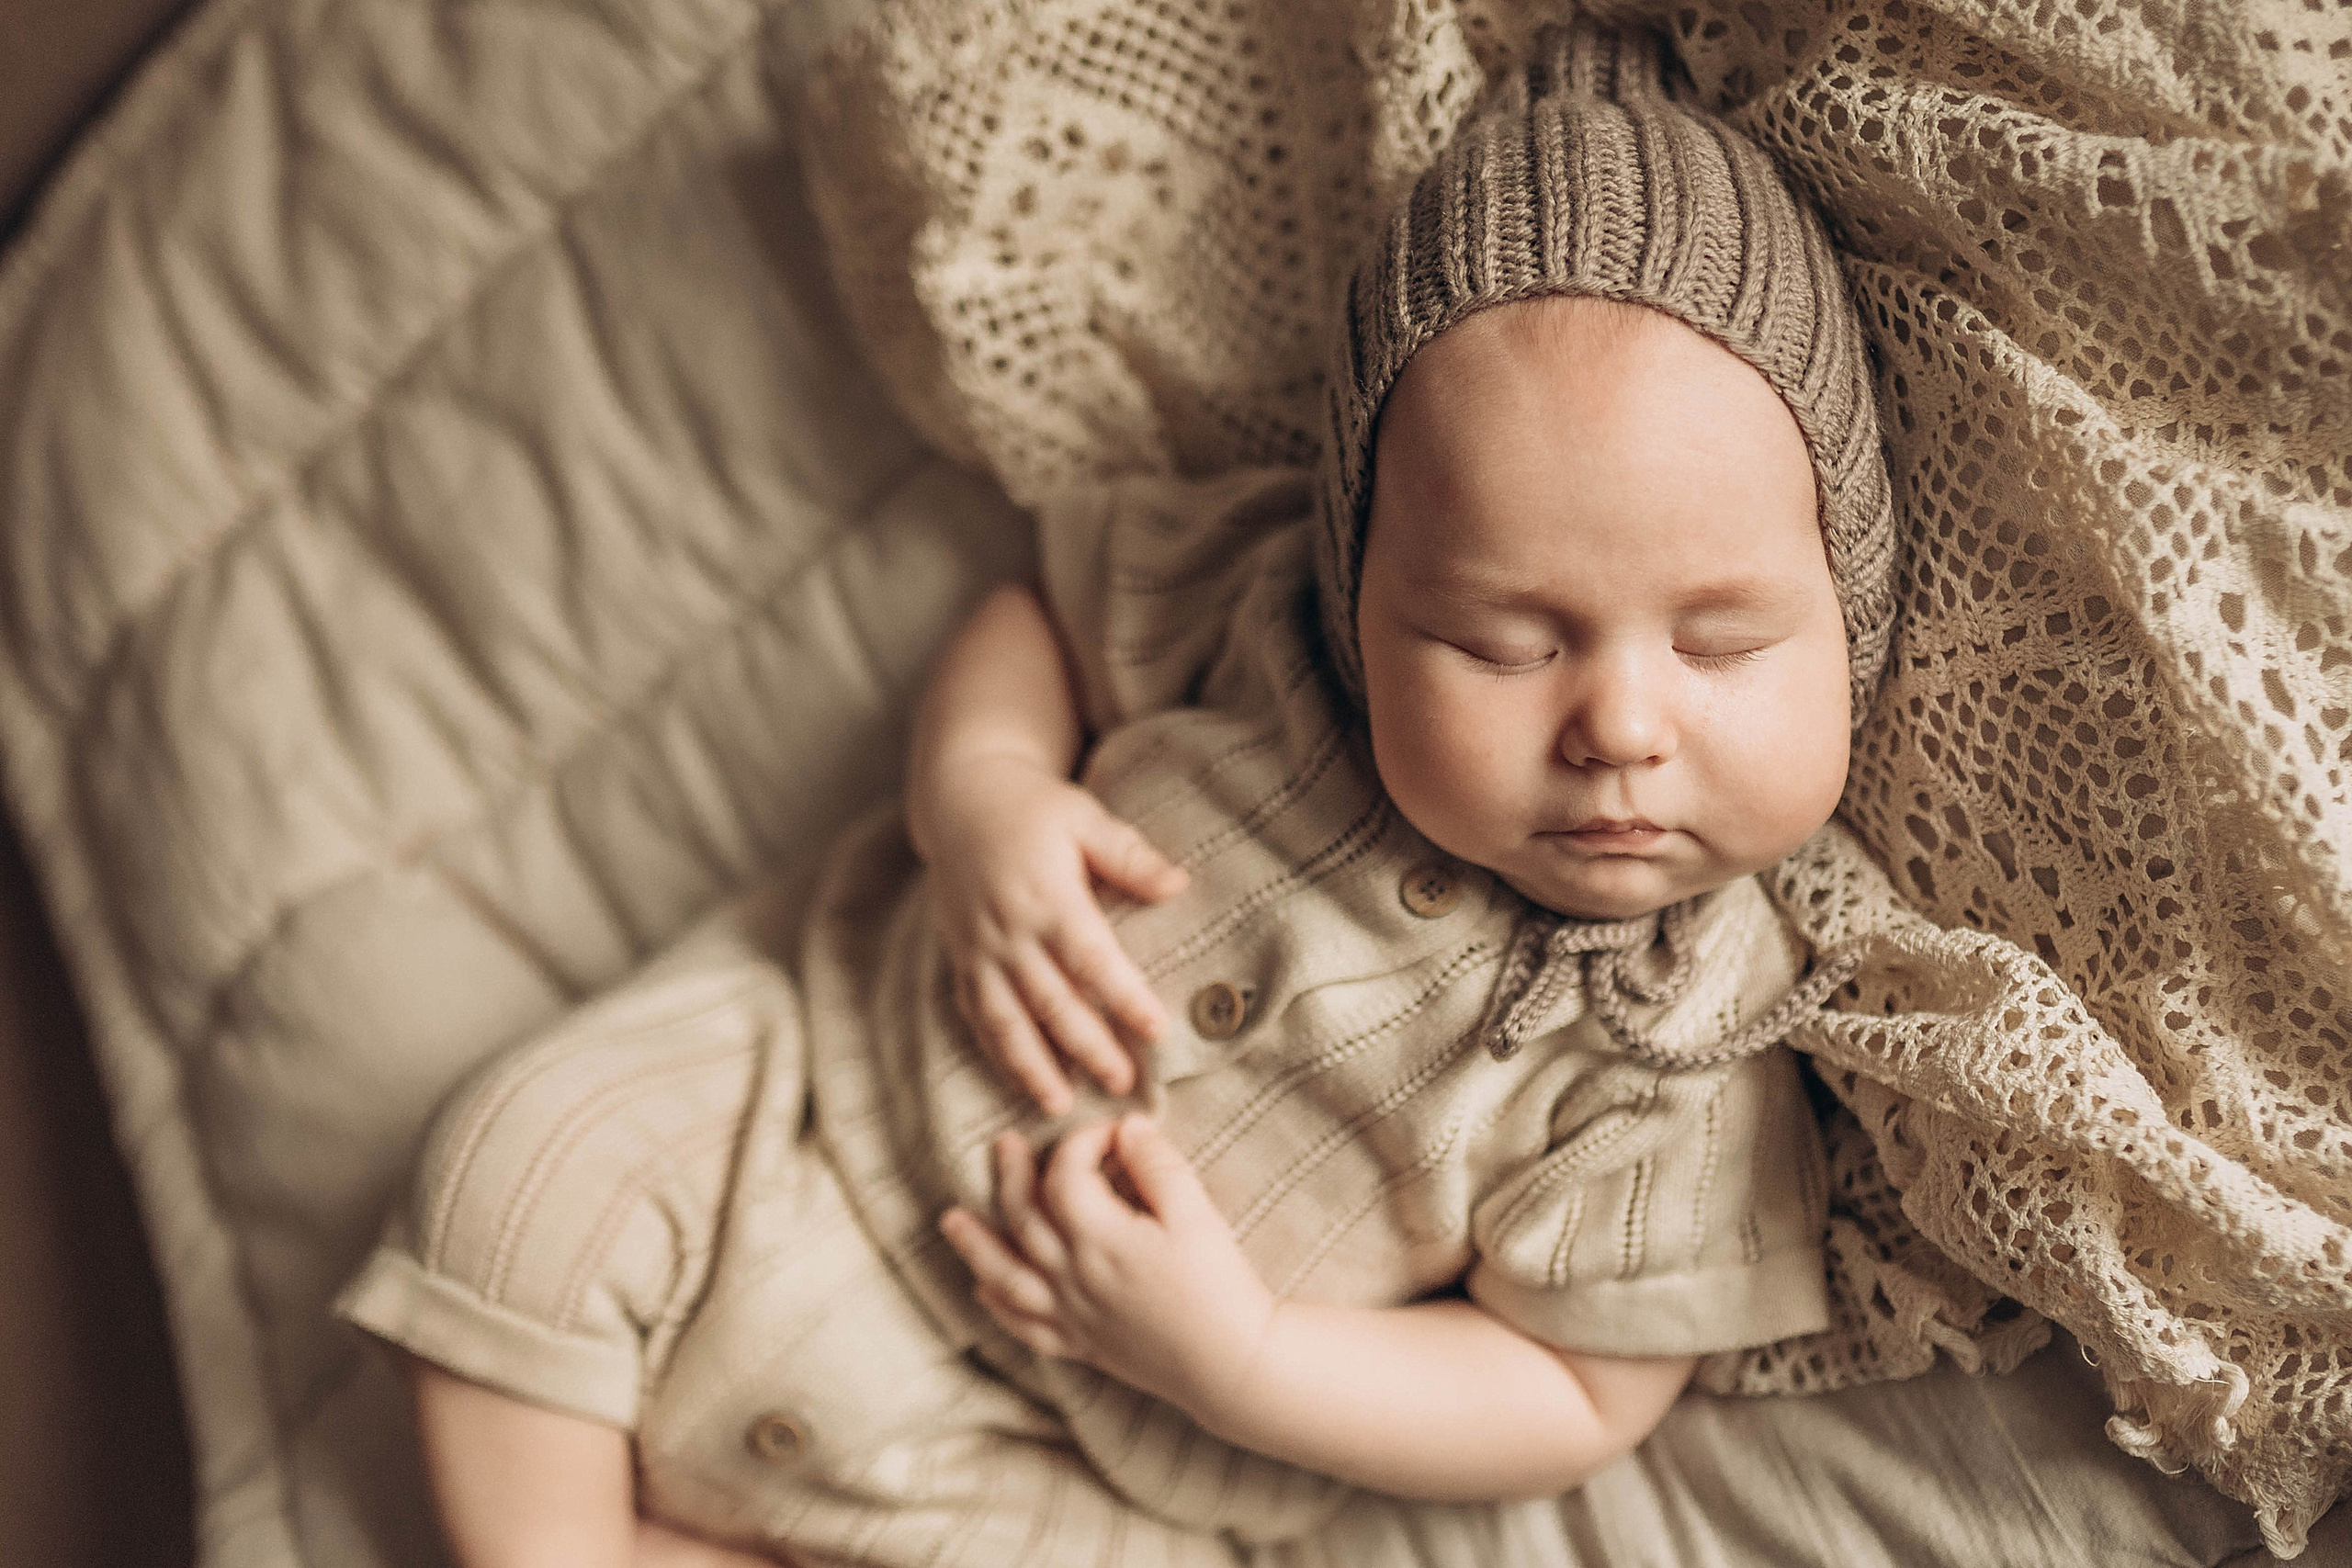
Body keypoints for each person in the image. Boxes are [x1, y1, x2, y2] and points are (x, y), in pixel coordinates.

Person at [334, 17, 1897, 1567]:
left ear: (1854, 618)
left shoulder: (1696, 1046)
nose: (1617, 723)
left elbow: (1574, 1387)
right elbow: (1037, 614)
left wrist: (1239, 1359)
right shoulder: (1260, 606)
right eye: (1499, 641)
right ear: (1362, 592)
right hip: (809, 1096)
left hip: (1081, 1433)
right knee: (517, 1165)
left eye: (1721, 641)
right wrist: (985, 796)